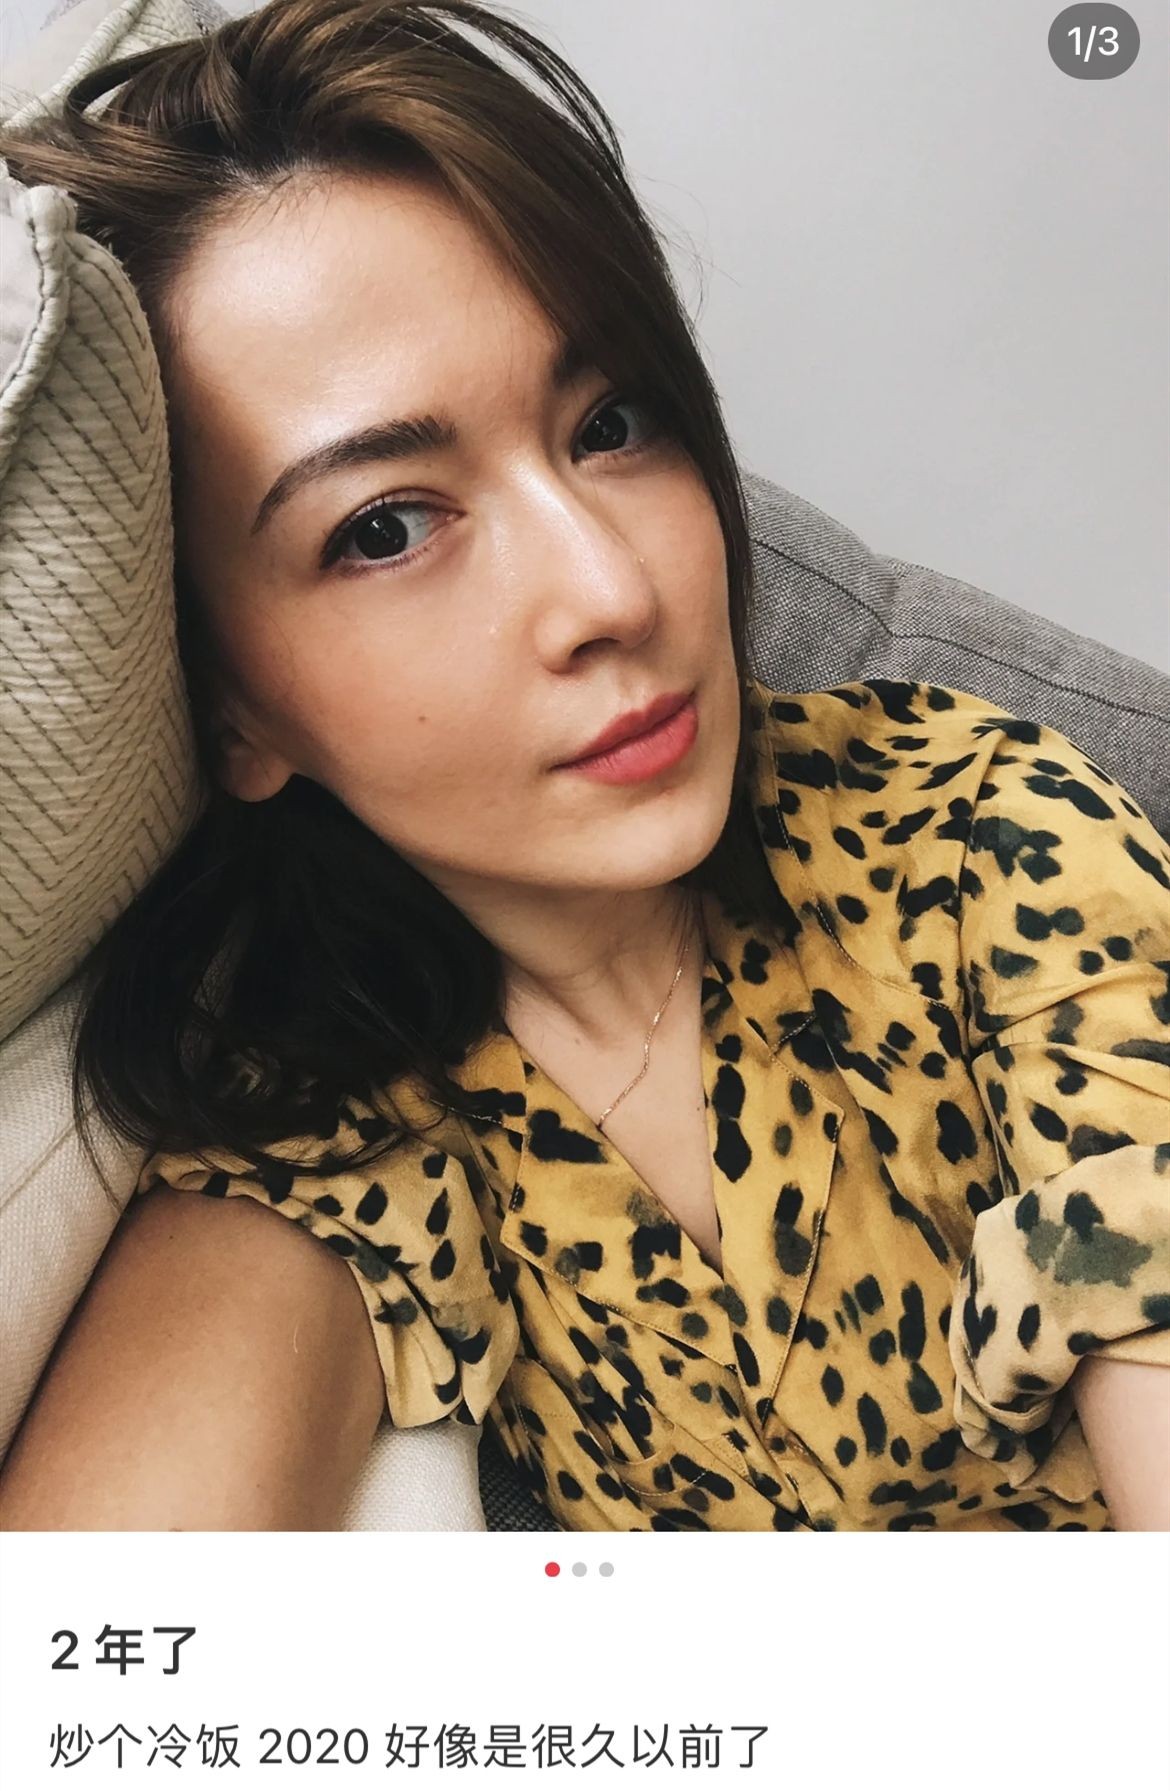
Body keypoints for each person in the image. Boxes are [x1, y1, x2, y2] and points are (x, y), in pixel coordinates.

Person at [0, 0, 1165, 1533]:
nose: (612, 591)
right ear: (232, 712)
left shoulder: (974, 840)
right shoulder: (325, 1126)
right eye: (384, 527)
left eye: (610, 424)